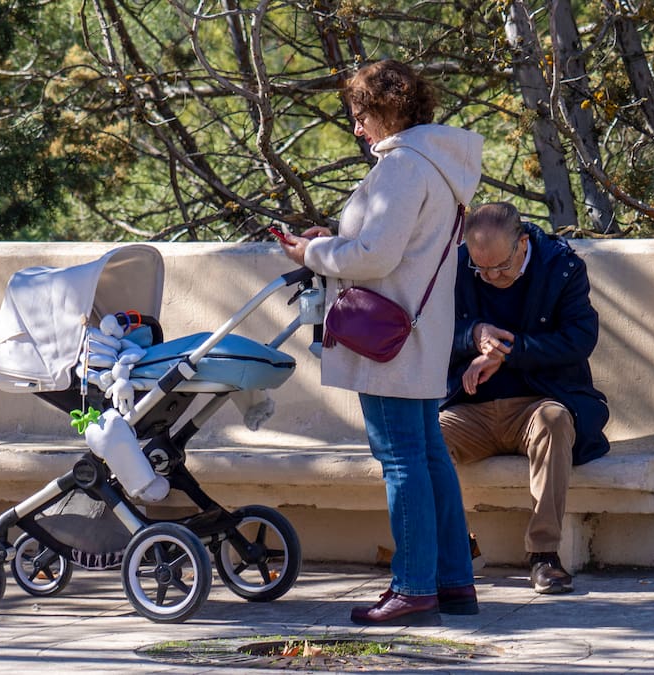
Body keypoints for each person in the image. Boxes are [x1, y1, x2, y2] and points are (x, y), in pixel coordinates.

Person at [279, 59, 483, 626]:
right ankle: (451, 582)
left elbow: (376, 258)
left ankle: (414, 587)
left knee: (401, 460)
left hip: (389, 338)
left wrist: (311, 253)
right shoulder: (440, 164)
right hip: (422, 329)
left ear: (386, 108)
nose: (357, 126)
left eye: (360, 113)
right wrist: (339, 238)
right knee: (427, 455)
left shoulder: (403, 167)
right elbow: (396, 243)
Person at [439, 202, 610, 594]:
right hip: (470, 408)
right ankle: (456, 547)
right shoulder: (456, 267)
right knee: (424, 437)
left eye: (501, 267)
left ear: (522, 243)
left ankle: (544, 556)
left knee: (555, 421)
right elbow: (430, 333)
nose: (491, 276)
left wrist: (507, 353)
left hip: (538, 403)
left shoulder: (561, 268)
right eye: (482, 269)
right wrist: (474, 333)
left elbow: (580, 338)